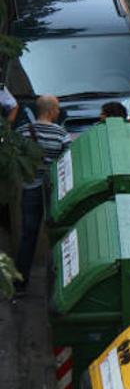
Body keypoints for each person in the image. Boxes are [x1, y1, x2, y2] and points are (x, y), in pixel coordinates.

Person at [14, 95, 71, 295]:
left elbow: (17, 160)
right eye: (57, 108)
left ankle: (20, 284)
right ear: (50, 111)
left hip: (30, 189)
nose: (58, 111)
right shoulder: (61, 134)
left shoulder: (22, 133)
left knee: (28, 236)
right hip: (53, 191)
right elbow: (66, 162)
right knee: (59, 235)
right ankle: (59, 284)